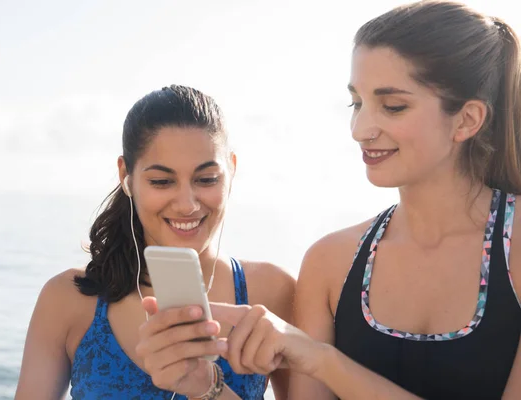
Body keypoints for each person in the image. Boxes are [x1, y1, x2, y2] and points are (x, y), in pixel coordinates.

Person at [152, 1, 521, 399]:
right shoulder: (331, 263)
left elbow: (318, 361)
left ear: (467, 119)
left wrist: (322, 360)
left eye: (393, 106)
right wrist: (206, 387)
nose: (360, 130)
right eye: (357, 103)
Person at [14, 85, 295, 400]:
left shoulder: (273, 292)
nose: (187, 204)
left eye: (206, 179)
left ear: (231, 170)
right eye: (162, 181)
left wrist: (210, 389)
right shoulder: (66, 299)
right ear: (127, 176)